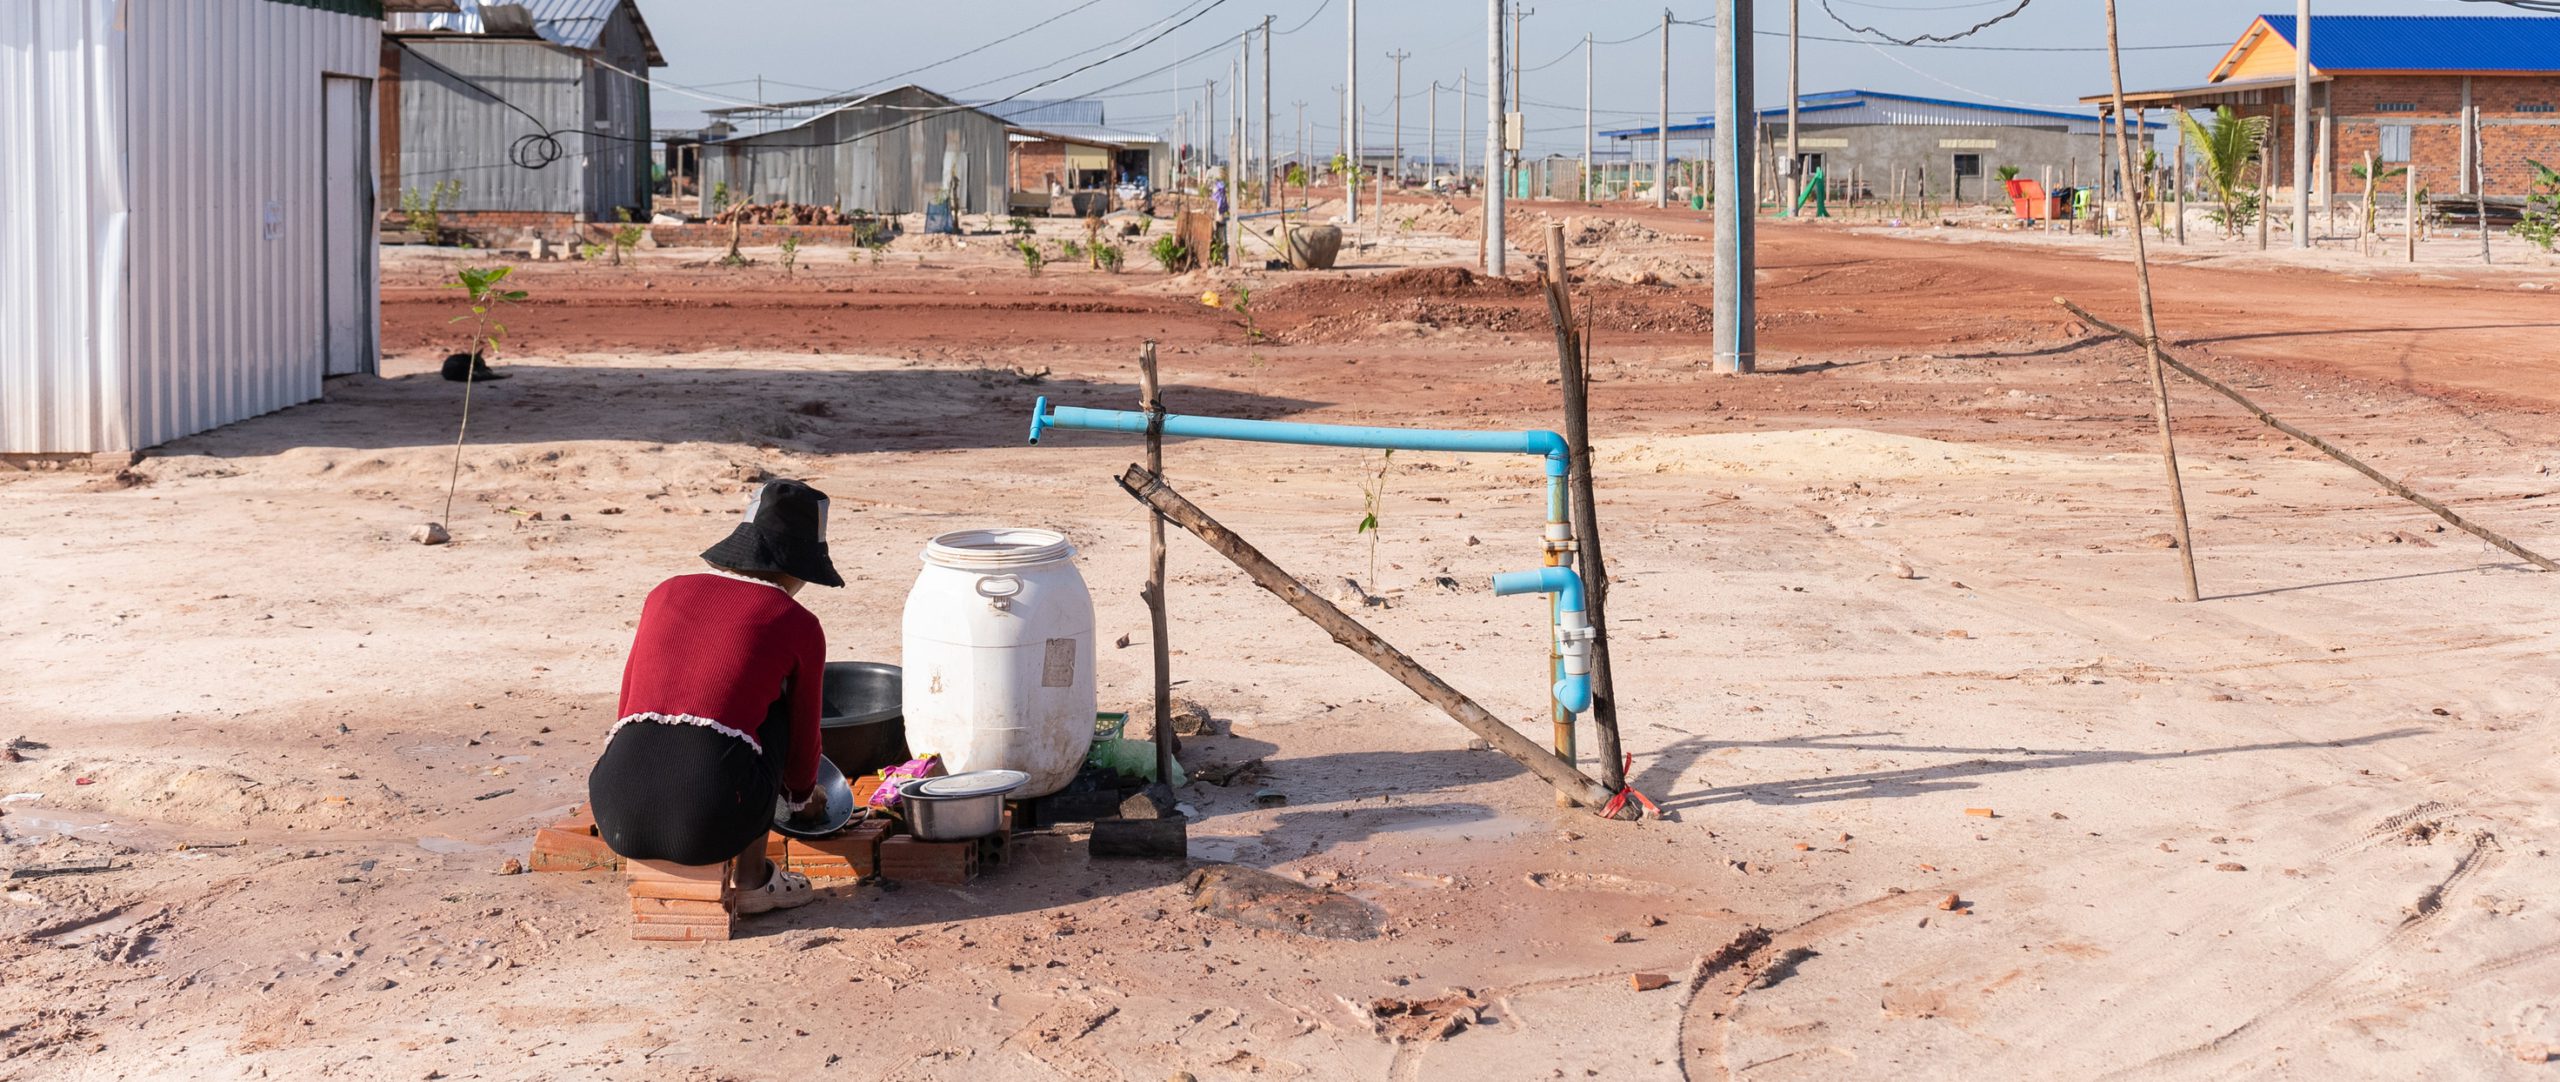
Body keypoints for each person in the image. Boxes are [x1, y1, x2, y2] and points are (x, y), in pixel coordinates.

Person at [587, 479, 844, 914]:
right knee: (774, 713)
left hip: (615, 811)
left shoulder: (666, 592)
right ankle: (751, 881)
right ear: (799, 567)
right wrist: (805, 801)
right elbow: (802, 741)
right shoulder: (793, 620)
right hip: (705, 824)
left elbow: (627, 705)